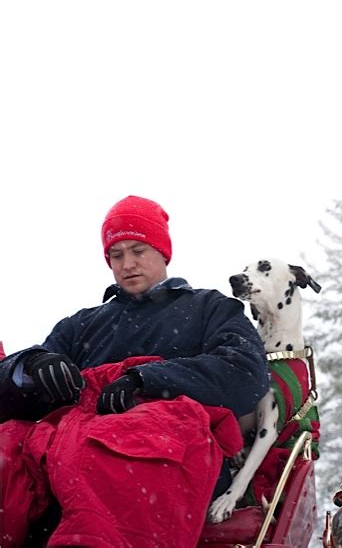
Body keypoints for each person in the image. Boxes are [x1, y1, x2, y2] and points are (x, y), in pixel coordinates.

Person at [0, 195, 270, 548]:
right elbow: (7, 395)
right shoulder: (82, 325)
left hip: (163, 450)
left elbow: (246, 372)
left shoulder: (209, 308)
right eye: (117, 254)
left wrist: (148, 379)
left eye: (138, 250)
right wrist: (30, 367)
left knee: (117, 453)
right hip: (69, 453)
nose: (127, 264)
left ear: (162, 252)